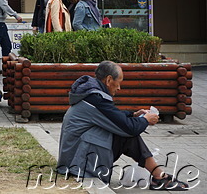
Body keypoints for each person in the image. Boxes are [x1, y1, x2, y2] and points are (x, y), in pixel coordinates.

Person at [57, 61, 190, 190]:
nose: (119, 88)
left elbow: (112, 117)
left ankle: (158, 176)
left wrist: (133, 115)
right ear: (109, 80)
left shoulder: (91, 95)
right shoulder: (95, 99)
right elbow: (129, 128)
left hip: (75, 157)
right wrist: (145, 120)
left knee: (125, 133)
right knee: (127, 134)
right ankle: (159, 177)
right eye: (119, 82)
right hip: (76, 163)